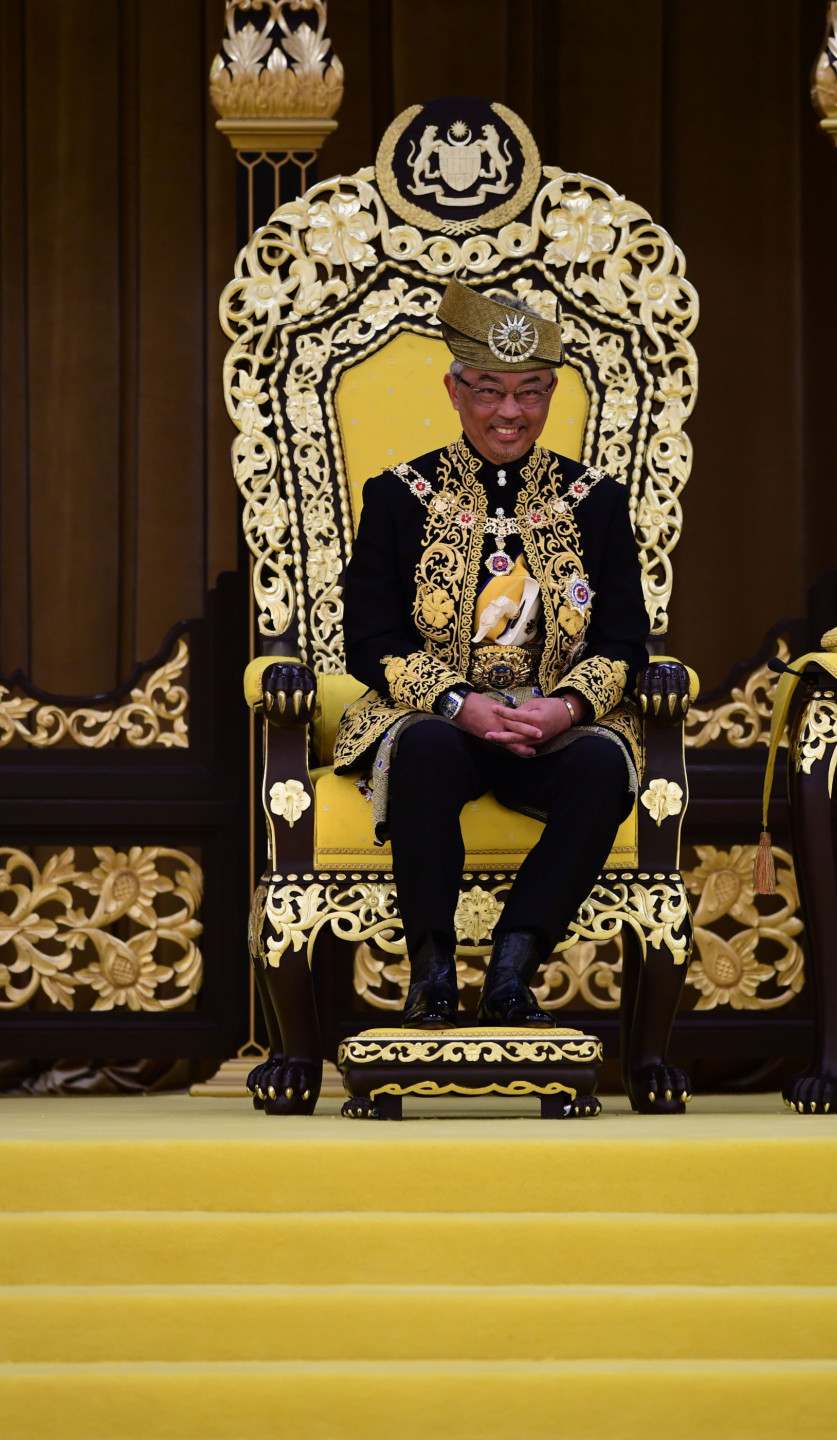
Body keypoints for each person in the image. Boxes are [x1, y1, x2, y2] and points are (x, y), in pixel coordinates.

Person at [265, 279, 688, 1030]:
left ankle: (513, 969)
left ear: (551, 394)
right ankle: (430, 974)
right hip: (440, 721)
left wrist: (567, 708)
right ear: (455, 392)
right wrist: (459, 704)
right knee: (426, 750)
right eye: (489, 391)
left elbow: (624, 637)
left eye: (529, 392)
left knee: (601, 765)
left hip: (553, 729)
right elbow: (370, 637)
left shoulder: (595, 500)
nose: (509, 412)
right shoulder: (399, 496)